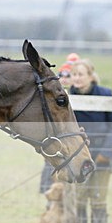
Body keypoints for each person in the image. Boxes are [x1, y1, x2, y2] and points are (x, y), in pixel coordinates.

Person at [68, 58, 112, 223]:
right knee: (80, 198)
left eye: (81, 74)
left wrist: (104, 154)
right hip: (78, 157)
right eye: (74, 74)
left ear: (91, 76)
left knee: (98, 198)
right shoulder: (67, 97)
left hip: (102, 156)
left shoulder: (105, 95)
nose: (77, 78)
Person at [40, 52, 80, 193]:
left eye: (68, 75)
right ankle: (48, 193)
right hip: (55, 139)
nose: (64, 78)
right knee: (50, 166)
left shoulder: (76, 93)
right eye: (61, 75)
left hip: (70, 139)